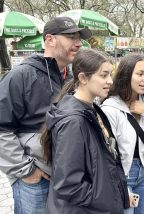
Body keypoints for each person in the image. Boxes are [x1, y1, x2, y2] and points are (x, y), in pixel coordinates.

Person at [0, 17, 91, 213]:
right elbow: (1, 128)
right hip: (36, 181)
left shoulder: (74, 78)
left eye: (79, 38)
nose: (78, 43)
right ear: (49, 39)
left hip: (69, 177)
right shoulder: (21, 76)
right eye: (71, 37)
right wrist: (26, 171)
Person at [40, 49, 129, 213]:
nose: (110, 81)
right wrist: (107, 199)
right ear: (82, 78)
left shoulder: (91, 109)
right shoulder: (74, 121)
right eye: (103, 75)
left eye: (110, 74)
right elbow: (68, 185)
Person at [101, 54, 144, 214]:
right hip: (122, 174)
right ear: (126, 74)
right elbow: (107, 154)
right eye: (140, 74)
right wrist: (121, 185)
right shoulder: (110, 108)